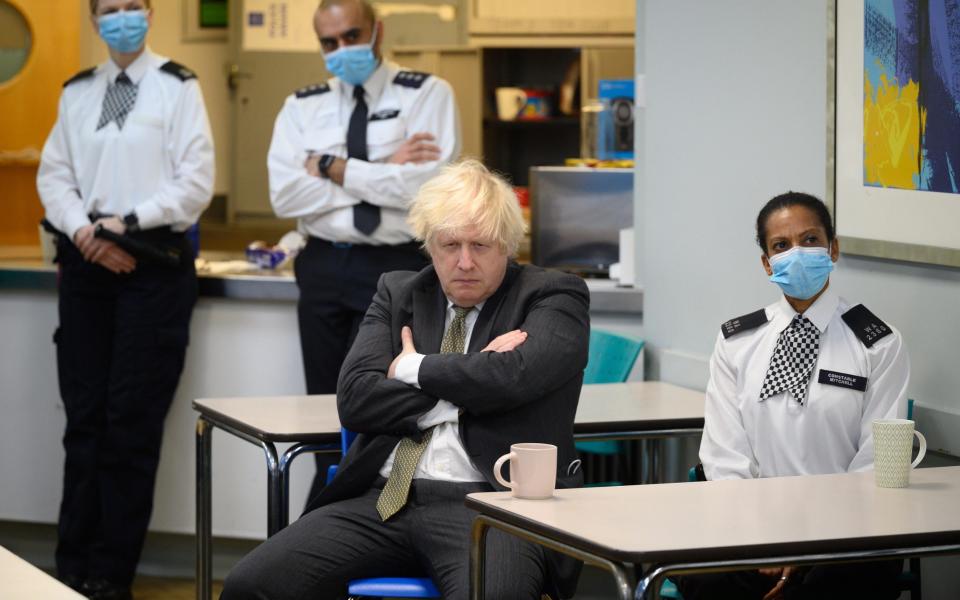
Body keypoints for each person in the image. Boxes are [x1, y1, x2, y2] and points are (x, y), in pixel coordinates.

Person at [220, 160, 589, 600]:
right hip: (381, 500)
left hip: (492, 506)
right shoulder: (398, 294)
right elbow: (356, 400)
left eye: (481, 245)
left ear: (508, 246)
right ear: (428, 245)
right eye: (449, 245)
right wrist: (469, 386)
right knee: (251, 586)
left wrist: (413, 369)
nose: (464, 262)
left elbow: (514, 379)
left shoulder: (553, 295)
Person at [36, 1, 214, 598]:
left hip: (154, 266)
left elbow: (194, 181)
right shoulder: (77, 92)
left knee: (129, 427)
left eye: (132, 5)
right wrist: (87, 233)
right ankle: (69, 572)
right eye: (108, 8)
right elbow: (53, 175)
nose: (122, 17)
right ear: (93, 20)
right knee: (84, 424)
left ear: (151, 11)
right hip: (86, 263)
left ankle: (111, 578)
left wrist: (126, 224)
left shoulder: (178, 87)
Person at [267, 0, 461, 503]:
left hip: (395, 265)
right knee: (324, 409)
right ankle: (328, 534)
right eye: (328, 43)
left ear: (377, 31)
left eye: (351, 36)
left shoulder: (428, 94)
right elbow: (284, 195)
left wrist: (330, 166)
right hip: (324, 264)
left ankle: (342, 527)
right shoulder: (302, 105)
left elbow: (425, 188)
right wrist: (380, 166)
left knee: (385, 410)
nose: (341, 50)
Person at [678, 192, 909, 600]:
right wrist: (760, 536)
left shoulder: (877, 342)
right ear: (767, 263)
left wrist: (810, 543)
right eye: (781, 246)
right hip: (752, 527)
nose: (797, 253)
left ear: (833, 248)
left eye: (810, 239)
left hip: (849, 533)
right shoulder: (738, 341)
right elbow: (724, 456)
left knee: (831, 585)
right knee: (707, 582)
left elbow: (876, 465)